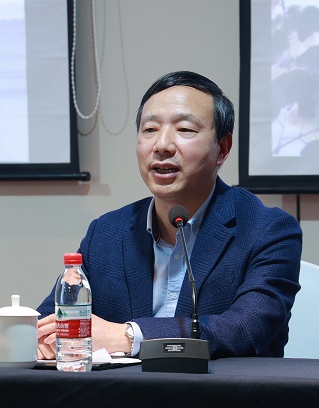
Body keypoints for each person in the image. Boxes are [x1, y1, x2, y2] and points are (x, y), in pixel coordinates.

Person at [36, 70, 302, 360]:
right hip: (121, 390)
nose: (161, 145)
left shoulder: (267, 230)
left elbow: (246, 329)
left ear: (223, 149)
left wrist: (128, 336)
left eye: (185, 129)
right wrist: (37, 338)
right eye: (150, 129)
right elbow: (54, 318)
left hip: (222, 389)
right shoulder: (106, 232)